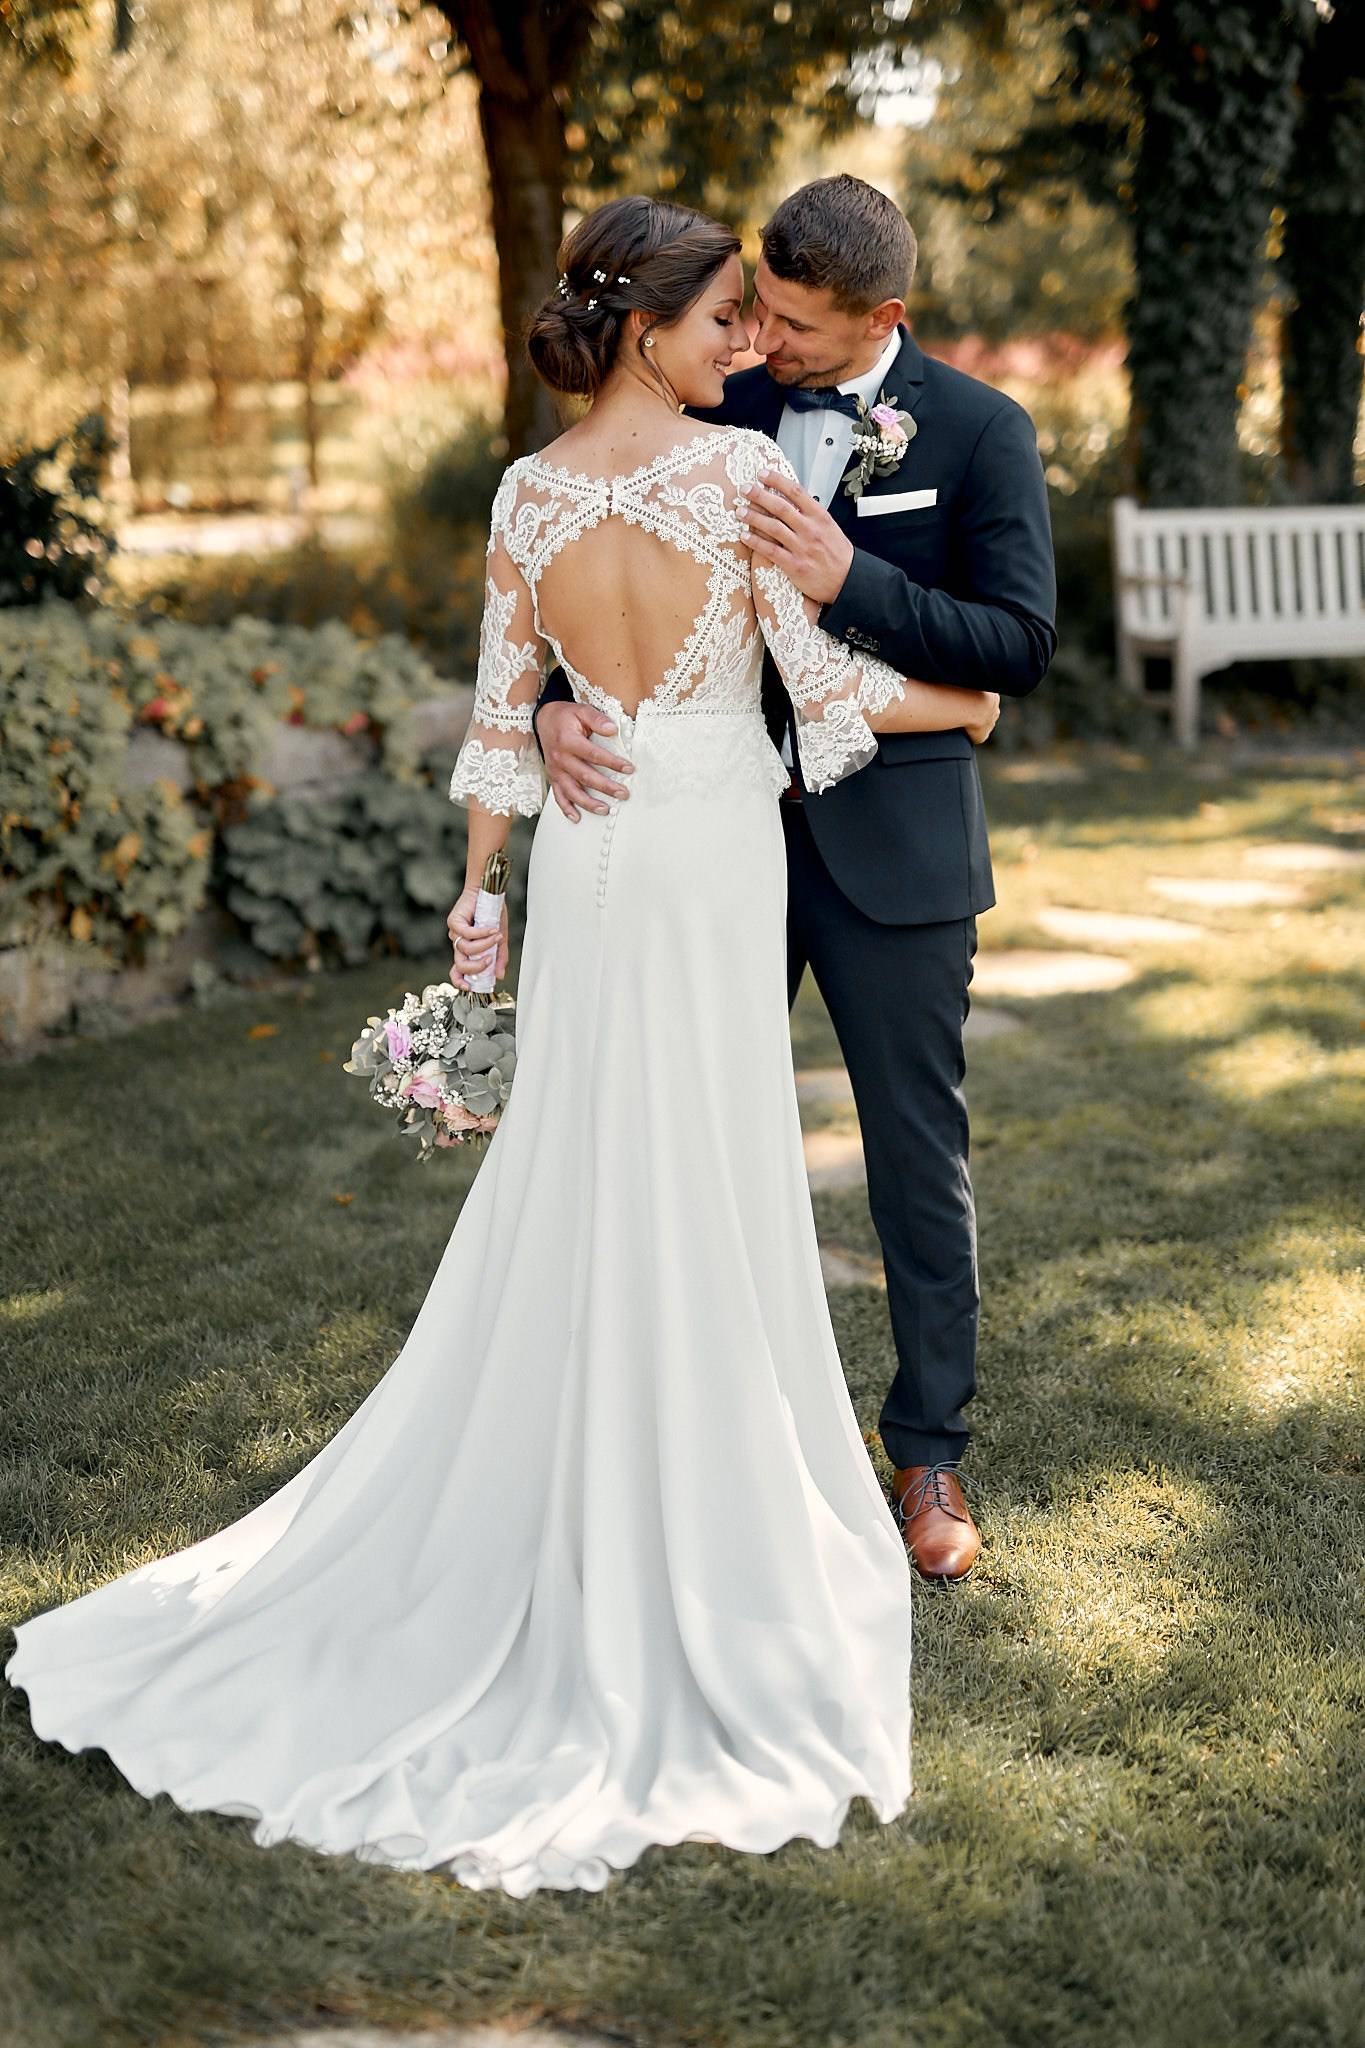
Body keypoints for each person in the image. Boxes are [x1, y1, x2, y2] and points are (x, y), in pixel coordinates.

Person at [7, 196, 999, 1899]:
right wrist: (961, 703)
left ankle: (568, 1464)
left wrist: (482, 900)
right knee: (700, 1152)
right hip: (705, 848)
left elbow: (496, 725)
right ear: (645, 333)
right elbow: (822, 696)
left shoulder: (526, 492)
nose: (745, 345)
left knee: (589, 1147)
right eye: (720, 322)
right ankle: (698, 1491)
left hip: (587, 867)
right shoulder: (735, 479)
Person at [536, 176, 1057, 1585]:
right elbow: (603, 567)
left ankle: (927, 1453)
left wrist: (851, 578)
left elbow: (1017, 645)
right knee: (676, 1131)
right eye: (755, 308)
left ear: (884, 317)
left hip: (895, 853)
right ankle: (682, 1439)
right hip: (708, 846)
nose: (763, 337)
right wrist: (552, 710)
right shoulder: (719, 401)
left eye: (797, 324)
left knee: (914, 1160)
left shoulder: (979, 430)